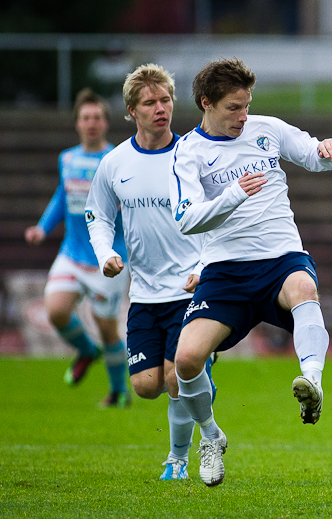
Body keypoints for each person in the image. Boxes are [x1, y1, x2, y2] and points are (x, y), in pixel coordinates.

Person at [168, 57, 332, 487]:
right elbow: (187, 219)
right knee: (186, 361)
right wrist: (232, 195)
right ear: (206, 103)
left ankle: (312, 382)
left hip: (280, 255)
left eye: (246, 106)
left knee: (304, 286)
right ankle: (210, 437)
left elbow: (314, 155)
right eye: (233, 108)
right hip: (225, 270)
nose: (242, 117)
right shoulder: (188, 152)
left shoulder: (267, 129)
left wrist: (329, 149)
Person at [85, 64, 215, 480]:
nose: (161, 109)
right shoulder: (114, 163)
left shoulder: (193, 155)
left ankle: (178, 458)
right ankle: (204, 396)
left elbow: (221, 215)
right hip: (144, 293)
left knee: (177, 377)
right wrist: (105, 253)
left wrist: (206, 266)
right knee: (145, 385)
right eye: (150, 102)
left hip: (190, 287)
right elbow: (98, 216)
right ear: (130, 110)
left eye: (166, 100)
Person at [24, 89, 131, 408]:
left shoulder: (116, 160)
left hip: (108, 259)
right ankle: (86, 350)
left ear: (106, 123)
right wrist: (42, 228)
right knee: (56, 311)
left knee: (107, 328)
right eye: (86, 117)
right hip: (71, 254)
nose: (91, 123)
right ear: (77, 123)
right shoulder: (67, 158)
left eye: (97, 117)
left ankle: (118, 393)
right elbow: (62, 195)